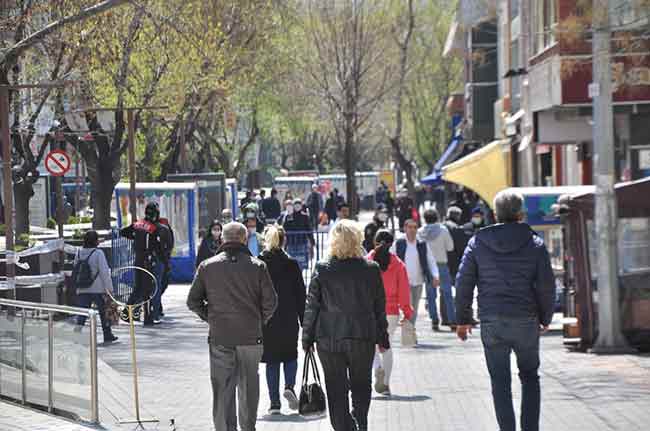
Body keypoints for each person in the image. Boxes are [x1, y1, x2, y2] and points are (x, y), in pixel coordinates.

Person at [455, 190, 555, 431]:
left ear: (495, 214)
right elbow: (546, 286)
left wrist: (463, 319)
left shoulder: (477, 242)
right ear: (521, 214)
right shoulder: (536, 244)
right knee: (530, 377)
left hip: (492, 321)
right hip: (525, 319)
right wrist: (546, 317)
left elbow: (463, 282)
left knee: (500, 382)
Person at [187, 222, 277, 431]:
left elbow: (193, 301)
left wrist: (212, 318)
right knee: (249, 389)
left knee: (222, 389)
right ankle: (248, 427)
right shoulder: (257, 266)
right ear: (245, 240)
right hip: (250, 336)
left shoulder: (207, 266)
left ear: (223, 240)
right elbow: (271, 302)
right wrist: (258, 320)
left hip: (221, 335)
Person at [302, 220, 389, 431]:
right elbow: (379, 307)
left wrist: (307, 338)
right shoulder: (371, 269)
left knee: (335, 388)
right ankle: (360, 422)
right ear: (357, 240)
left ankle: (343, 426)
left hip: (329, 338)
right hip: (362, 337)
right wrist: (383, 337)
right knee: (361, 384)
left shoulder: (323, 269)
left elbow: (312, 306)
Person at [258, 226, 306, 415]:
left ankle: (274, 403)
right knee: (290, 354)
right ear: (284, 240)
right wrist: (305, 323)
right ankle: (290, 386)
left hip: (267, 319)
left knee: (271, 360)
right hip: (288, 316)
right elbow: (300, 295)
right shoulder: (292, 264)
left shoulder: (260, 263)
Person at [367, 229, 412, 396]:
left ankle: (377, 368)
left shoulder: (367, 261)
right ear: (392, 244)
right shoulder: (398, 264)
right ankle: (385, 384)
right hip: (391, 312)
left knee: (370, 345)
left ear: (374, 241)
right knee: (386, 345)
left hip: (370, 311)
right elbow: (404, 291)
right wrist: (407, 312)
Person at [120, 201, 168, 326]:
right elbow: (158, 247)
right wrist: (165, 262)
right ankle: (148, 318)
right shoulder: (155, 228)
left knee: (138, 288)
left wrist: (135, 237)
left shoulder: (138, 224)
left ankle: (126, 314)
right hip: (148, 260)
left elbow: (123, 232)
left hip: (138, 259)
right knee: (147, 290)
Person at [391, 219, 439, 329]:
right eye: (410, 227)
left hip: (418, 281)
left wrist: (435, 276)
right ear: (405, 228)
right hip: (404, 282)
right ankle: (409, 332)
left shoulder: (422, 244)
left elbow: (431, 260)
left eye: (415, 227)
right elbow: (391, 258)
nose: (412, 230)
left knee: (415, 308)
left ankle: (410, 330)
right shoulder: (399, 243)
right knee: (409, 308)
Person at [74, 230, 118, 344]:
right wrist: (110, 289)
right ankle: (107, 334)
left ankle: (76, 335)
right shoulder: (98, 253)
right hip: (98, 288)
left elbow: (75, 269)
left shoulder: (79, 252)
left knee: (83, 313)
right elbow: (104, 272)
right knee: (103, 312)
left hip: (82, 288)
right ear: (95, 241)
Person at [418, 209, 456, 331]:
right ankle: (452, 320)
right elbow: (450, 247)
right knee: (447, 294)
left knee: (430, 295)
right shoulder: (443, 230)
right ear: (437, 217)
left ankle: (434, 320)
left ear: (425, 218)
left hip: (428, 266)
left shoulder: (420, 232)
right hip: (441, 264)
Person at [279, 198, 314, 271]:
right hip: (291, 243)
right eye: (296, 204)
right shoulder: (289, 215)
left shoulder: (305, 216)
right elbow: (284, 227)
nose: (297, 206)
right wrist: (288, 216)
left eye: (299, 204)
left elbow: (309, 229)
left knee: (301, 265)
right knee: (291, 265)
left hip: (302, 243)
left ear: (301, 205)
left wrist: (312, 242)